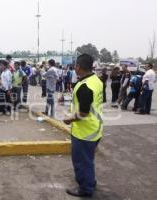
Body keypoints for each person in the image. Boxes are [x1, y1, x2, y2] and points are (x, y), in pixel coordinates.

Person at [63, 54, 103, 198]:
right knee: (88, 160)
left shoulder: (85, 86)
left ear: (78, 67)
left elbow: (83, 113)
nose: (74, 67)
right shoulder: (95, 80)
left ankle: (85, 189)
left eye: (75, 65)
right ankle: (90, 181)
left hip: (84, 132)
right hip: (95, 128)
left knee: (82, 162)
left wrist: (69, 119)